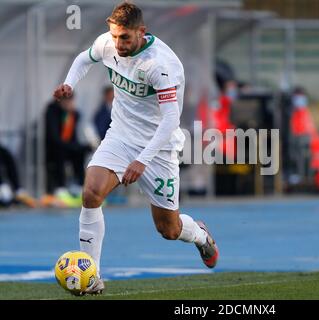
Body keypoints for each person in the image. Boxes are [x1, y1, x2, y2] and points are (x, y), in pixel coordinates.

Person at [53, 2, 218, 294]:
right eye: (115, 36)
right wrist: (69, 84)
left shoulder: (160, 65)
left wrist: (142, 160)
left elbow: (170, 120)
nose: (118, 44)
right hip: (120, 136)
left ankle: (201, 236)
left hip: (159, 148)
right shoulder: (108, 43)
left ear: (141, 32)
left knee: (168, 229)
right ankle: (91, 277)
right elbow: (83, 59)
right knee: (91, 193)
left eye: (125, 38)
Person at [44, 96, 91, 207]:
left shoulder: (73, 114)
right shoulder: (52, 112)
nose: (69, 102)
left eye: (71, 100)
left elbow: (73, 137)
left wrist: (83, 147)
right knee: (59, 151)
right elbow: (55, 139)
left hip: (67, 147)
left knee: (81, 151)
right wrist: (73, 147)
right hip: (53, 149)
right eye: (67, 100)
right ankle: (60, 187)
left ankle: (79, 185)